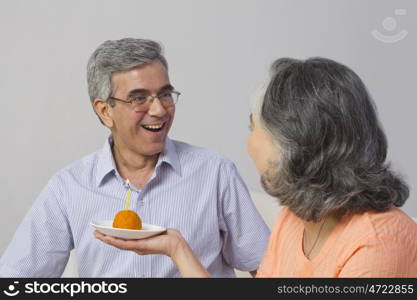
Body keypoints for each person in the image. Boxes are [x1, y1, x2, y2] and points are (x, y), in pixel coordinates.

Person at [95, 57, 417, 277]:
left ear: (294, 142)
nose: (248, 146)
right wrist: (176, 247)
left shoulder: (380, 242)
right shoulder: (294, 221)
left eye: (254, 128)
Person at [0, 38, 270, 277]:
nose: (159, 110)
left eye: (165, 94)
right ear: (105, 111)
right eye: (139, 98)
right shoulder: (68, 187)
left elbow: (271, 273)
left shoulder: (215, 173)